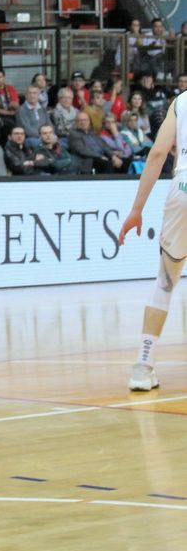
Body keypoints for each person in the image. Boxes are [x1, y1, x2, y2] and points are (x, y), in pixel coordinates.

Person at [117, 87, 187, 391]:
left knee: (165, 282)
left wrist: (136, 210)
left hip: (182, 189)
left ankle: (143, 367)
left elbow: (158, 154)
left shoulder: (181, 101)